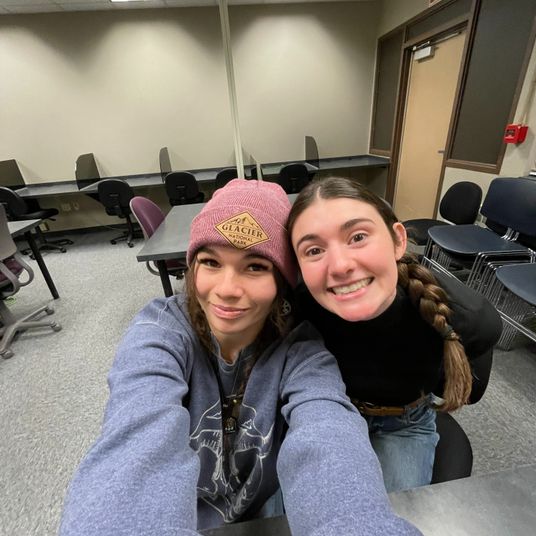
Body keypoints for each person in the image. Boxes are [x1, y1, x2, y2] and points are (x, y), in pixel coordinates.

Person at [59, 179, 421, 536]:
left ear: (281, 282)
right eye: (211, 262)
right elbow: (138, 442)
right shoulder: (160, 332)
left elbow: (327, 436)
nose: (228, 289)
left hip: (262, 510)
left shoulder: (301, 348)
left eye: (255, 267)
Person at [287, 176, 502, 493]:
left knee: (389, 510)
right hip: (332, 409)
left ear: (398, 240)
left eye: (358, 237)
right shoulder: (300, 304)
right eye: (314, 250)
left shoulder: (463, 315)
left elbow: (462, 376)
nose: (340, 266)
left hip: (405, 423)